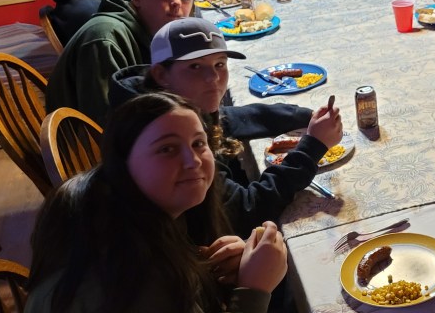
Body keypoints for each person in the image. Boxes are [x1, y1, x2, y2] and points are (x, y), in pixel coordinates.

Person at [17, 92, 328, 313]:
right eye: (167, 149)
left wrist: (211, 272)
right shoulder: (125, 278)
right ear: (123, 162)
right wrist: (253, 292)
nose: (193, 161)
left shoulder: (122, 209)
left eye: (198, 143)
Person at [109, 17, 342, 237]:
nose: (213, 77)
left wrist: (302, 116)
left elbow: (229, 117)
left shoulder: (168, 101)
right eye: (195, 66)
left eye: (219, 64)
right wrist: (312, 147)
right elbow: (248, 209)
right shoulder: (161, 130)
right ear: (161, 74)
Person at [46, 0, 196, 126]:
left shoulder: (159, 32)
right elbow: (105, 122)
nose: (177, 3)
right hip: (90, 139)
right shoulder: (105, 38)